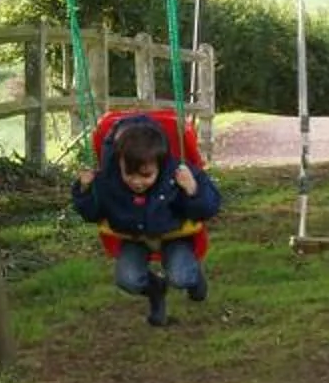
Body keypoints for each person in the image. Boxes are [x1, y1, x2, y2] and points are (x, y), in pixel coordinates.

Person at [72, 115, 221, 327]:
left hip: (173, 235)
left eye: (146, 175)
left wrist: (192, 190)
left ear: (159, 163)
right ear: (119, 161)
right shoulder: (108, 180)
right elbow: (92, 214)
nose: (137, 182)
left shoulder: (178, 173)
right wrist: (85, 190)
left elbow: (209, 208)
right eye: (129, 174)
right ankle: (156, 290)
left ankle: (194, 278)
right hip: (134, 237)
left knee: (181, 277)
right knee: (128, 281)